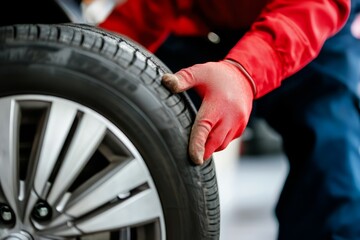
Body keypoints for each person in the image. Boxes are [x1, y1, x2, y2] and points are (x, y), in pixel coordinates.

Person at [96, 0, 360, 239]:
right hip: (207, 30)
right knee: (135, 117)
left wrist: (244, 71)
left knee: (331, 164)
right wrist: (91, 58)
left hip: (312, 30)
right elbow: (149, 9)